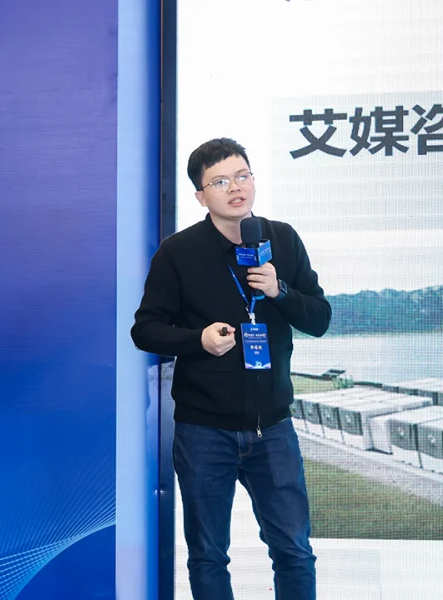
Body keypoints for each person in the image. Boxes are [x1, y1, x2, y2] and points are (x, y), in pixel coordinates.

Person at [131, 137, 331, 599]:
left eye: (242, 176)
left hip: (273, 428)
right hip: (203, 431)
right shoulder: (177, 252)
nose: (236, 188)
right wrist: (197, 340)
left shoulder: (282, 239)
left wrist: (280, 291)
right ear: (201, 196)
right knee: (207, 555)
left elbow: (319, 319)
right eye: (220, 182)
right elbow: (146, 330)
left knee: (294, 550)